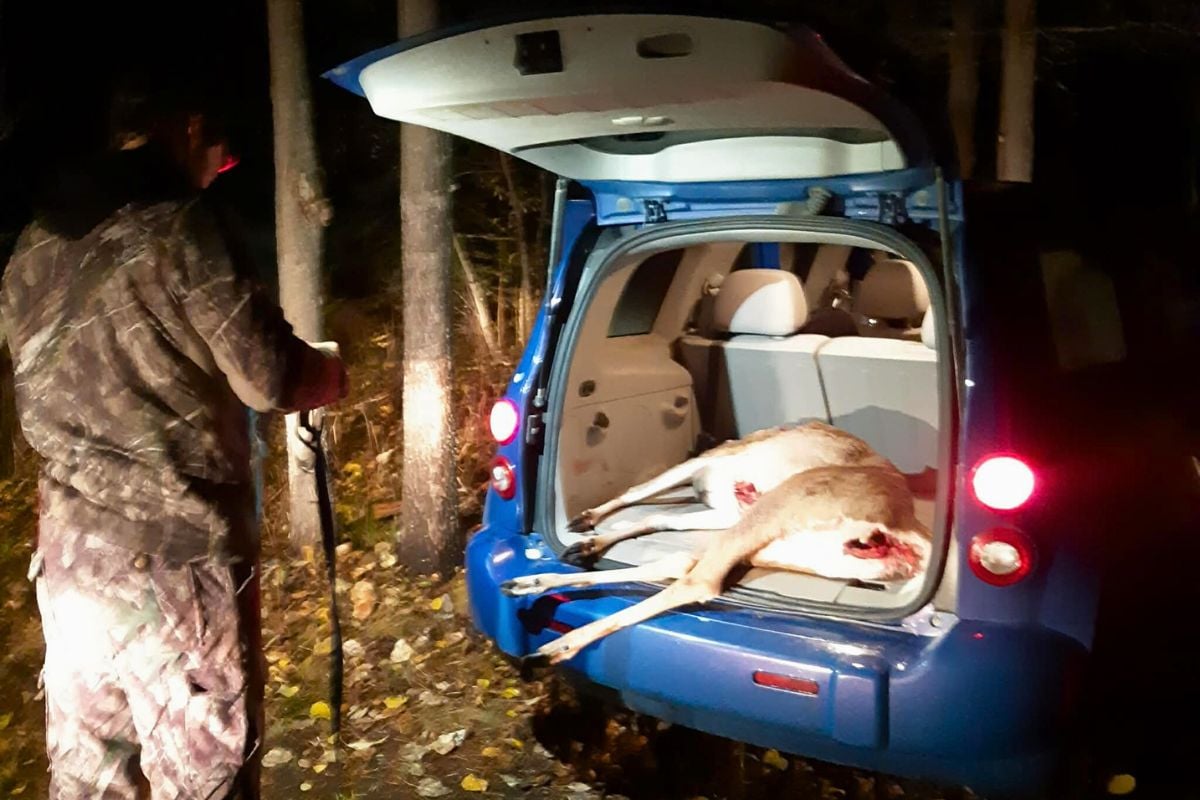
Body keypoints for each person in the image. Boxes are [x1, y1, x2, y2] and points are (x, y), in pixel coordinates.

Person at [1, 78, 347, 799]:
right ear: (187, 128)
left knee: (93, 780)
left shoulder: (31, 251)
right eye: (220, 161)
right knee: (202, 781)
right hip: (176, 570)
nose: (216, 174)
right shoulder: (183, 228)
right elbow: (270, 379)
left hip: (69, 571)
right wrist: (329, 372)